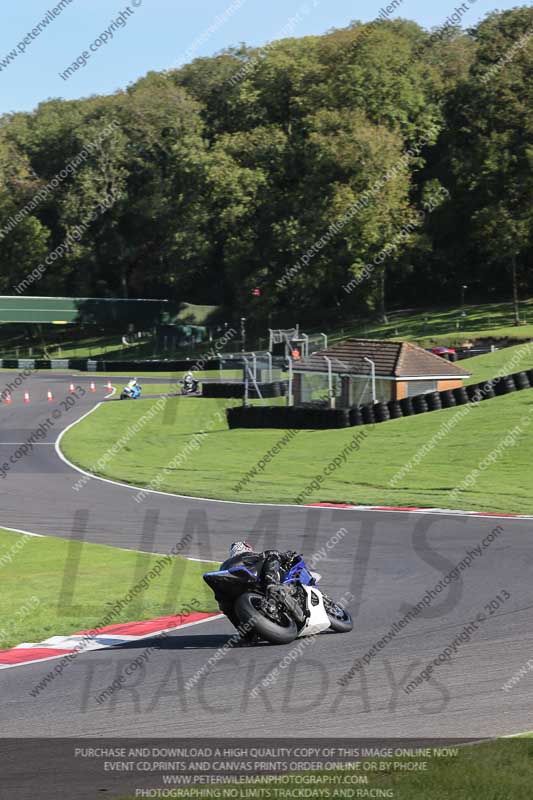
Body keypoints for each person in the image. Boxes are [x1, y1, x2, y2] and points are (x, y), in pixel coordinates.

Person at [216, 541, 298, 644]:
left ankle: (246, 633)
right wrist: (285, 556)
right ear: (245, 548)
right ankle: (272, 583)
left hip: (226, 588)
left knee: (227, 608)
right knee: (273, 555)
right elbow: (270, 554)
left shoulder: (224, 565)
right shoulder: (247, 557)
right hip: (247, 580)